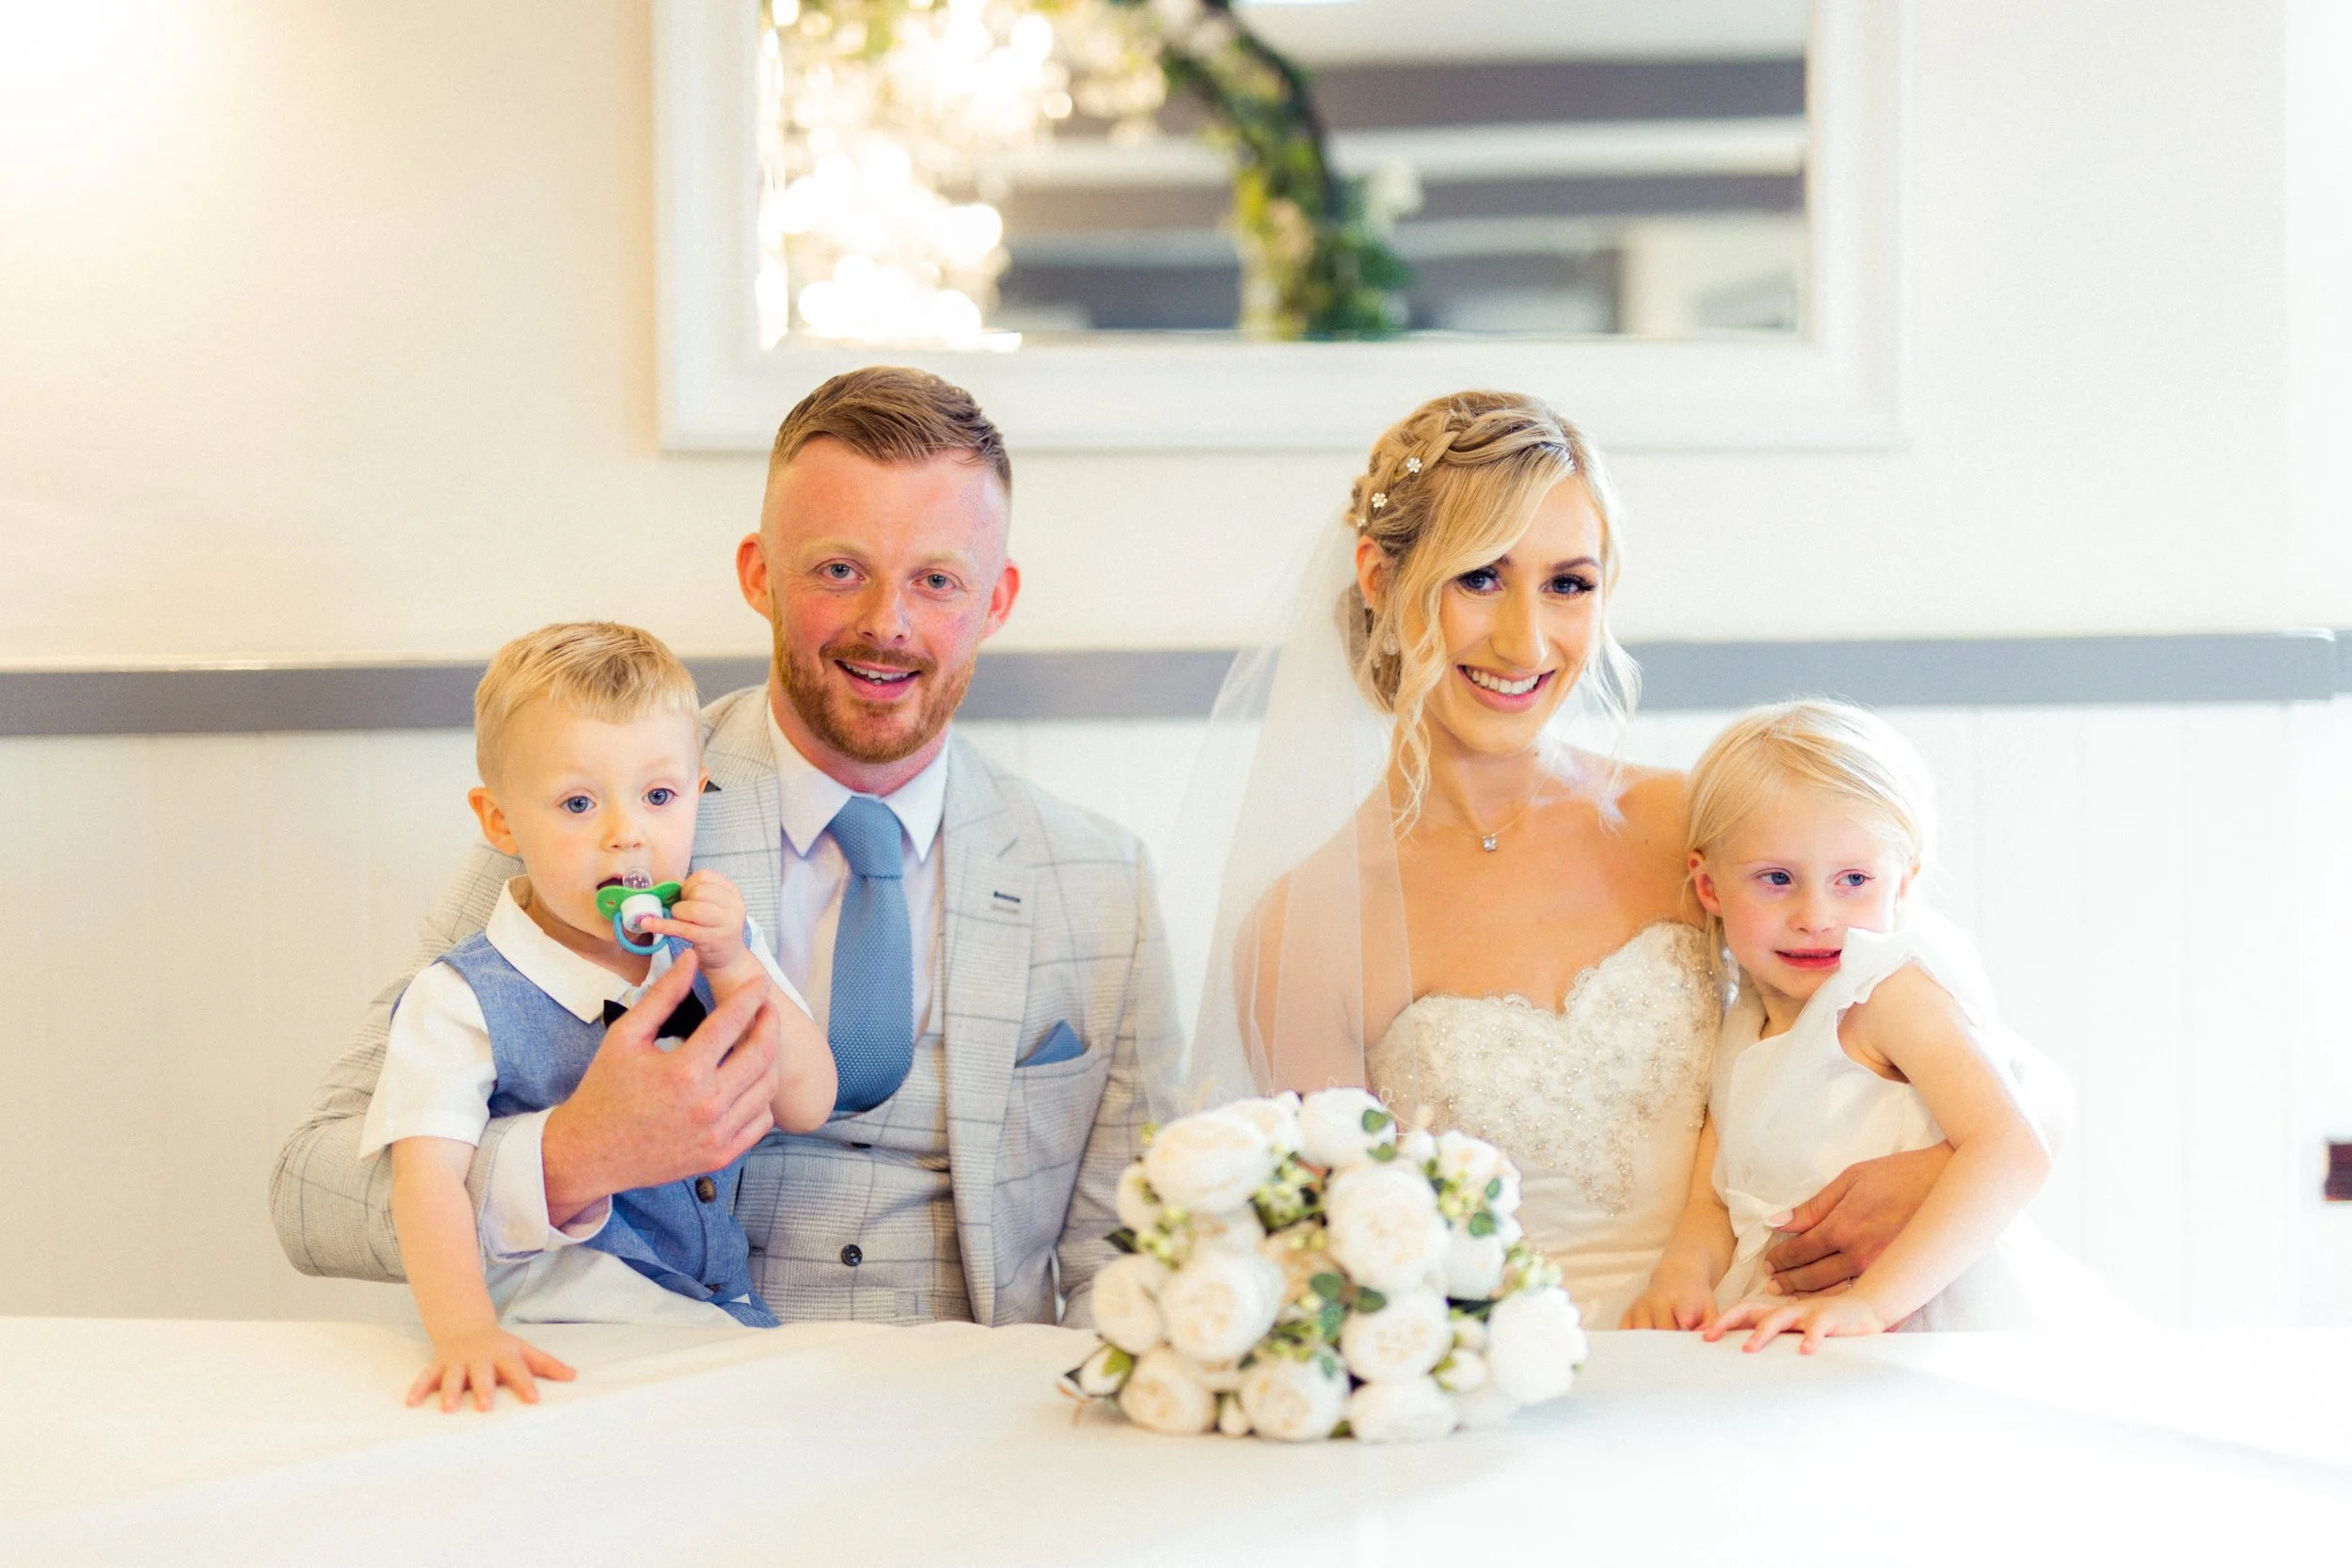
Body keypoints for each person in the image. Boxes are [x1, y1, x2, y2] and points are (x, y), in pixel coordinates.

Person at [273, 368, 1173, 1331]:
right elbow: (308, 1195)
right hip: (667, 1398)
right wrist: (574, 1154)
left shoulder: (1101, 882)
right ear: (758, 574)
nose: (887, 623)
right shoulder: (592, 823)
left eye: (936, 580)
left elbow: (1128, 1254)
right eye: (839, 569)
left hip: (972, 1410)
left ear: (996, 600)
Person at [1165, 389, 2064, 1329]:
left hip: (1763, 1332)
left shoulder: (1687, 827)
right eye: (1478, 577)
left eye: (1568, 583)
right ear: (1380, 581)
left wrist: (1923, 1175)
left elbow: (1988, 1062)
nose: (1526, 639)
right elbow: (1345, 1272)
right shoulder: (1306, 926)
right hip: (1499, 1389)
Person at [372, 622, 836, 1410]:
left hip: (720, 1330)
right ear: (500, 821)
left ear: (698, 791)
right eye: (579, 802)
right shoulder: (458, 997)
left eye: (658, 796)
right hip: (564, 1339)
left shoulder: (718, 945)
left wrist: (734, 965)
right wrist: (463, 1331)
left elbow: (807, 1098)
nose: (627, 833)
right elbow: (426, 1182)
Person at [1625, 701, 2091, 1346]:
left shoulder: (1887, 994)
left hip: (1919, 1315)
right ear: (1709, 887)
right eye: (1777, 878)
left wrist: (1872, 1304)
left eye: (1853, 879)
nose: (1816, 913)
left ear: (1903, 884)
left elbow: (2011, 1146)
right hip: (1789, 1323)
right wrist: (1681, 1274)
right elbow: (1713, 1202)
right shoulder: (1741, 1022)